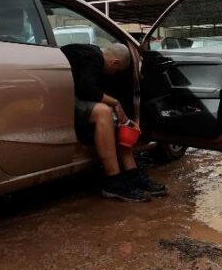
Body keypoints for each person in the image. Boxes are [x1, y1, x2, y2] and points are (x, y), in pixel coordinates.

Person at [60, 42, 168, 202]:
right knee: (104, 112)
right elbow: (86, 90)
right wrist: (115, 102)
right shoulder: (94, 57)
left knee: (118, 118)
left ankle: (132, 174)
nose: (113, 74)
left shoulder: (89, 53)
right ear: (114, 62)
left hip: (66, 92)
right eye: (116, 71)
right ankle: (113, 181)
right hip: (59, 95)